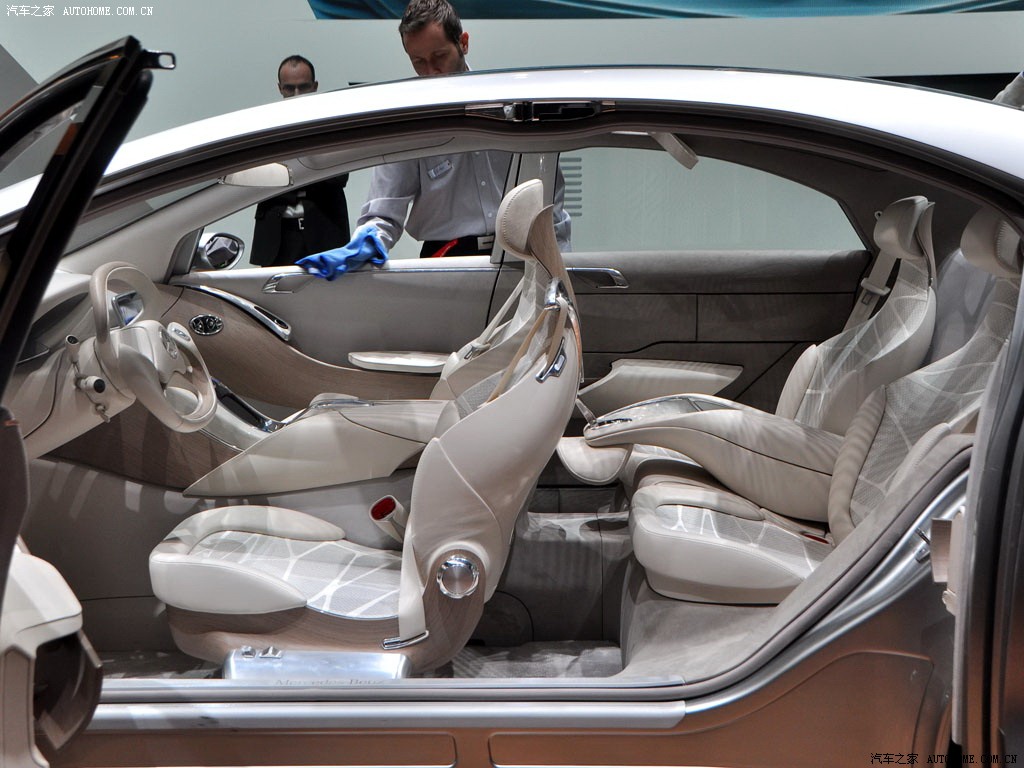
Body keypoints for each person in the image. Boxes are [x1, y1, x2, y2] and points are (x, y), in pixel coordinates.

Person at [355, 0, 571, 257]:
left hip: (520, 254)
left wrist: (558, 262)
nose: (431, 72)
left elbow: (549, 201)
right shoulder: (409, 123)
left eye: (439, 57)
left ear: (463, 43)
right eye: (419, 62)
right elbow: (383, 214)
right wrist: (365, 245)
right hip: (445, 260)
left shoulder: (509, 107)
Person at [249, 55, 351, 267]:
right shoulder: (265, 126)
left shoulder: (331, 124)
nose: (296, 95)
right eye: (289, 88)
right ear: (280, 88)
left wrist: (287, 173)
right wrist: (312, 170)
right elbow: (259, 179)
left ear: (315, 86)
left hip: (325, 232)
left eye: (303, 88)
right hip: (276, 237)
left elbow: (338, 177)